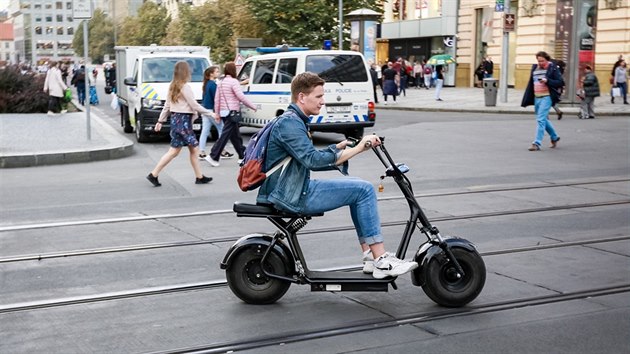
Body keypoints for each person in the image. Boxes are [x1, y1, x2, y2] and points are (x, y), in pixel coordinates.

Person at [257, 71, 419, 279]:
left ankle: (370, 255)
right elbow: (311, 161)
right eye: (319, 96)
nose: (323, 102)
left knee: (357, 185)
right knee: (363, 189)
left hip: (292, 187)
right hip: (291, 194)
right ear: (301, 97)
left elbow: (307, 156)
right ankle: (381, 260)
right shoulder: (290, 123)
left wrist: (336, 149)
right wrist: (361, 147)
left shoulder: (294, 119)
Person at [146, 61, 213, 187]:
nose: (191, 71)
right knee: (193, 148)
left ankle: (154, 174)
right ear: (185, 72)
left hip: (176, 121)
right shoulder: (184, 86)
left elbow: (167, 105)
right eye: (189, 69)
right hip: (184, 122)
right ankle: (199, 177)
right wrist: (210, 113)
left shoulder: (173, 86)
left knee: (175, 151)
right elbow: (194, 104)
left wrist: (160, 121)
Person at [206, 62, 257, 167]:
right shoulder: (234, 82)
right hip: (232, 112)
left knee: (235, 135)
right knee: (225, 135)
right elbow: (240, 96)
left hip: (224, 112)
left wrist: (217, 113)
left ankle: (242, 156)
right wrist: (252, 106)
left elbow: (217, 99)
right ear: (233, 70)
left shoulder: (221, 82)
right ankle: (213, 156)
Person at [520, 51, 563, 151]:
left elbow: (560, 82)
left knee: (540, 120)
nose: (540, 63)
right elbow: (531, 84)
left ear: (547, 60)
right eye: (539, 61)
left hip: (547, 97)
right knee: (543, 119)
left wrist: (547, 81)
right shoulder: (535, 68)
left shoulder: (552, 68)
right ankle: (554, 137)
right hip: (537, 97)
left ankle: (536, 143)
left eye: (542, 61)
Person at [199, 66, 233, 160]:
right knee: (222, 129)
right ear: (211, 74)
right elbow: (216, 99)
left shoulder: (206, 84)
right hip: (211, 111)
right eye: (216, 72)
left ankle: (201, 152)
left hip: (205, 110)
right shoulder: (213, 85)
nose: (218, 73)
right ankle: (221, 150)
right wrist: (218, 112)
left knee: (205, 131)